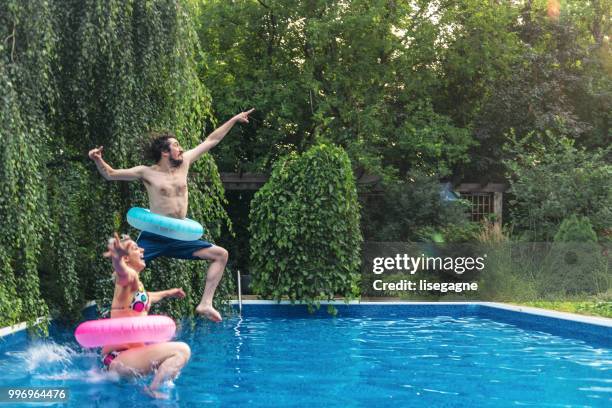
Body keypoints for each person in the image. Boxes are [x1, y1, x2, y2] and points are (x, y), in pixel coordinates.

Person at [89, 109, 255, 322]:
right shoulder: (146, 172)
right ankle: (114, 314)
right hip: (154, 236)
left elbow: (212, 140)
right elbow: (110, 174)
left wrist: (233, 119)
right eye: (176, 145)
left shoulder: (184, 163)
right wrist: (98, 160)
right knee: (126, 272)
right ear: (164, 152)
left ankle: (205, 303)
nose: (181, 148)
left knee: (221, 254)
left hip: (180, 235)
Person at [102, 232, 191, 399]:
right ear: (126, 259)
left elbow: (147, 297)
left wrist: (168, 293)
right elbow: (121, 272)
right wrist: (117, 259)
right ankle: (154, 389)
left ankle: (152, 387)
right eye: (136, 248)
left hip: (124, 358)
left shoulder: (135, 285)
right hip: (120, 358)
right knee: (182, 351)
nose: (142, 249)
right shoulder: (128, 277)